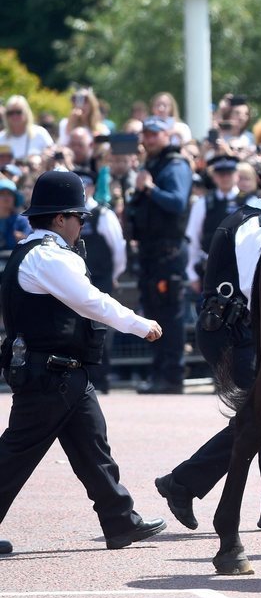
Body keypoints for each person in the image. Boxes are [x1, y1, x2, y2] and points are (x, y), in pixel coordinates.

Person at [0, 171, 166, 555]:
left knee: (93, 447)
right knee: (14, 455)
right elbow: (92, 301)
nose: (82, 225)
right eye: (80, 217)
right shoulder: (48, 257)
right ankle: (120, 518)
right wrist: (139, 324)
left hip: (62, 373)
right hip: (50, 375)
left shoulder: (37, 252)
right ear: (60, 219)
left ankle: (120, 520)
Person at [155, 159, 261, 532]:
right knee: (259, 416)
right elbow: (255, 285)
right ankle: (182, 482)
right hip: (235, 332)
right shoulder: (255, 225)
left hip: (237, 330)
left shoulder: (254, 220)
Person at [127, 115, 193, 394]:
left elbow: (177, 202)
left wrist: (150, 188)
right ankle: (159, 373)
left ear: (168, 135)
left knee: (169, 315)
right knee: (154, 312)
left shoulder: (176, 165)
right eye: (146, 134)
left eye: (155, 134)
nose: (149, 139)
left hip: (169, 253)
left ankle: (172, 375)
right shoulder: (152, 164)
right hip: (152, 254)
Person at [77, 172, 127, 393]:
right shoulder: (69, 214)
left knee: (100, 328)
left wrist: (112, 276)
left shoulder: (103, 214)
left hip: (101, 279)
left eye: (85, 184)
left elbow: (118, 250)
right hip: (77, 280)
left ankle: (101, 379)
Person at [184, 154, 247, 295]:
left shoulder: (249, 202)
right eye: (221, 174)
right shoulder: (203, 203)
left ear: (237, 175)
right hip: (210, 270)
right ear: (214, 177)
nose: (225, 178)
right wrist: (192, 274)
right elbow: (193, 239)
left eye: (229, 173)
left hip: (240, 271)